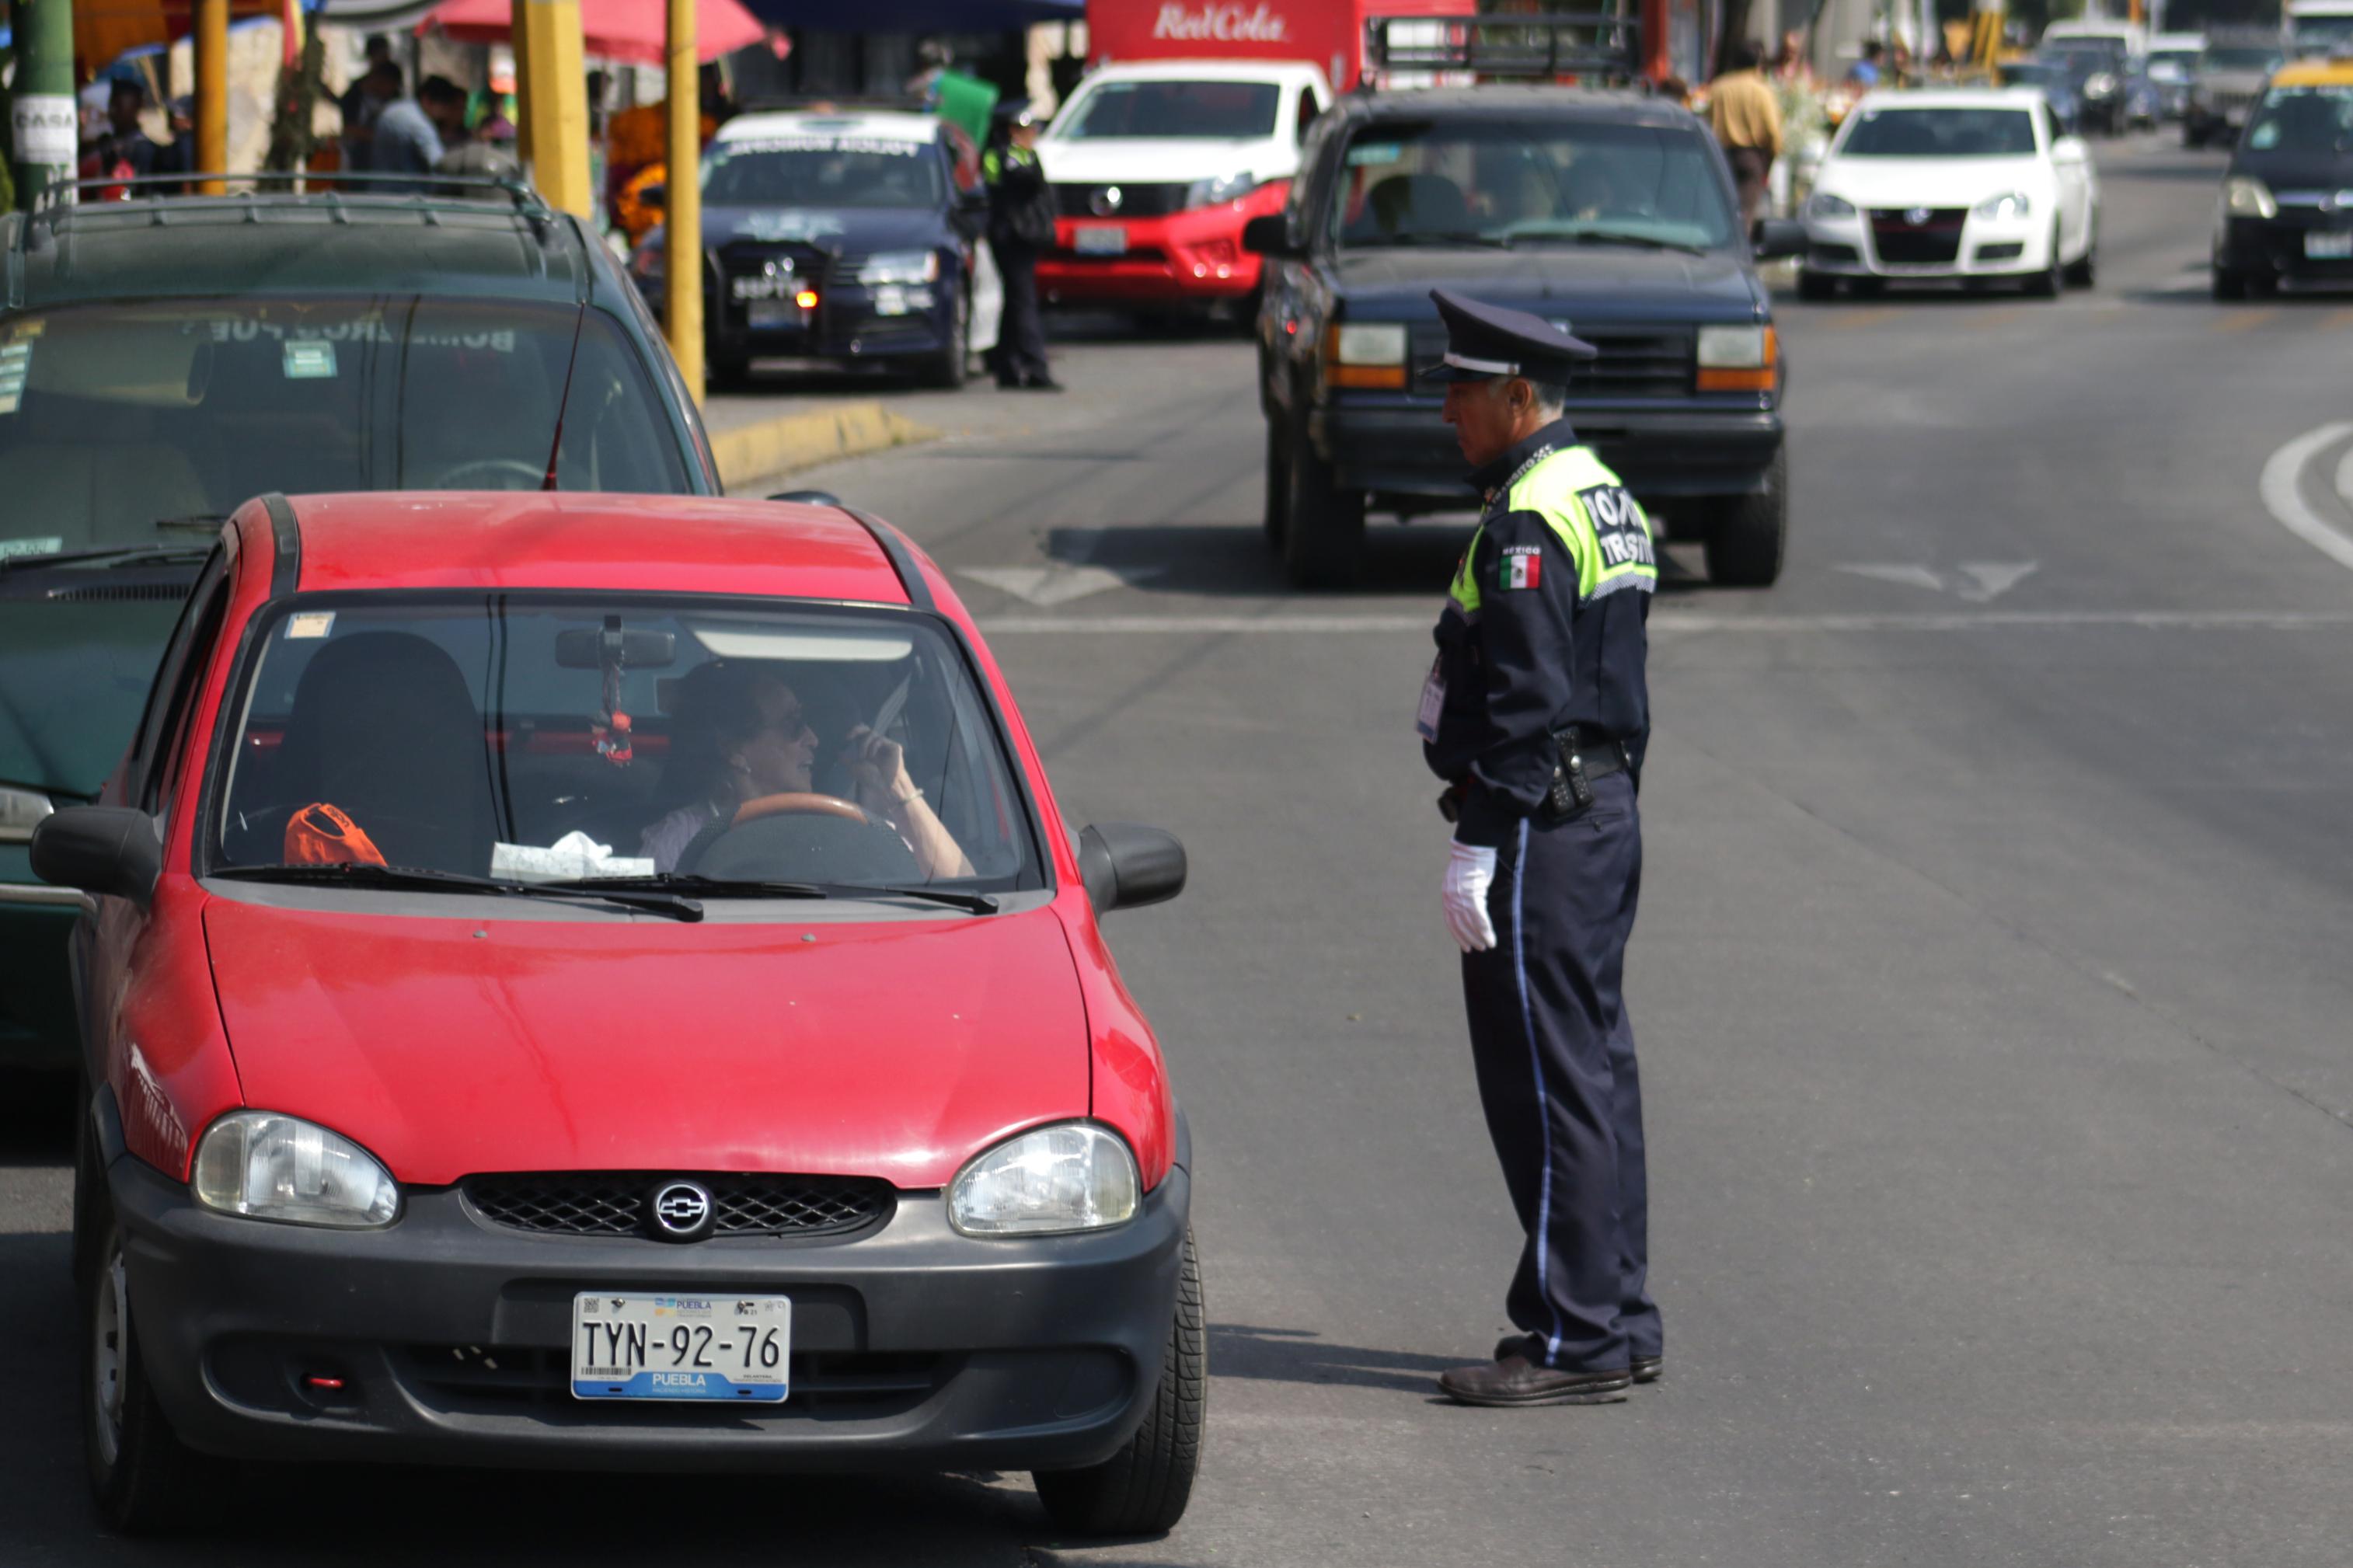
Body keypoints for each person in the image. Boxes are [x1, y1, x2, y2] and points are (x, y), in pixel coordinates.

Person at [1417, 287, 1661, 1408]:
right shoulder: (1600, 491)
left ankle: (1576, 1338)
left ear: (1519, 396)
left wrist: (1479, 838)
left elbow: (1525, 700)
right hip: (1601, 812)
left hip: (1541, 826)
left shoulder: (1526, 518)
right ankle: (1614, 1313)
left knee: (1549, 1083)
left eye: (1464, 390)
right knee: (1596, 1070)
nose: (1448, 410)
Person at [640, 662, 971, 880]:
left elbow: (961, 883)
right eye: (793, 725)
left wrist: (898, 785)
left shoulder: (849, 825)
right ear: (735, 751)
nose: (813, 738)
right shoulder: (677, 840)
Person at [983, 105, 1061, 392]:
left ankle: (1006, 366)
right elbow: (1012, 181)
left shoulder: (1027, 155)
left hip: (1026, 236)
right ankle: (1035, 367)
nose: (1032, 136)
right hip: (1009, 237)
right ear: (1012, 131)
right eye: (1026, 131)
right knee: (1024, 300)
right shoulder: (999, 155)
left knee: (1015, 300)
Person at [1707, 40, 1783, 228]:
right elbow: (1772, 132)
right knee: (1745, 215)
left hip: (1720, 156)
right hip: (1751, 158)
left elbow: (1706, 124)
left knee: (1720, 213)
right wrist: (1769, 162)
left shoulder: (1718, 88)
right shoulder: (1761, 90)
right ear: (1758, 63)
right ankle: (1739, 253)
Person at [362, 64, 445, 193]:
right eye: (443, 107)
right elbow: (440, 165)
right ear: (428, 100)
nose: (443, 114)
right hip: (408, 199)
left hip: (378, 192)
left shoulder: (394, 109)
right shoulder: (420, 125)